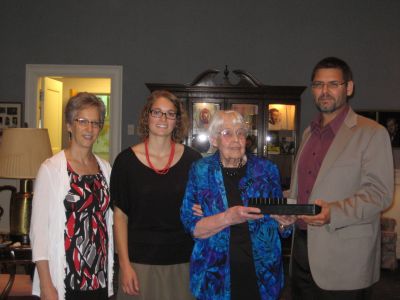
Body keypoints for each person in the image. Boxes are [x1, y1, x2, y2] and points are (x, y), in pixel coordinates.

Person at [287, 57, 394, 299]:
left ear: (349, 88)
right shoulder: (307, 133)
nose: (324, 91)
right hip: (301, 253)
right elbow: (302, 190)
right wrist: (287, 209)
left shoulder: (372, 133)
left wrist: (333, 212)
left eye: (333, 84)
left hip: (345, 260)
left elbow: (380, 194)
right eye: (318, 84)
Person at [180, 110, 295, 300]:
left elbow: (282, 226)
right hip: (214, 274)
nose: (236, 139)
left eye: (240, 132)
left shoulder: (266, 170)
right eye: (227, 133)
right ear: (214, 139)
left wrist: (285, 222)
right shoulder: (200, 171)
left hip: (262, 274)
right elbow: (191, 226)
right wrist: (227, 217)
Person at [111, 90, 201, 300]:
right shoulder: (126, 162)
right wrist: (124, 265)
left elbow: (202, 207)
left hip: (183, 261)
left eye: (170, 114)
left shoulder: (193, 161)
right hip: (139, 263)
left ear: (177, 121)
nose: (163, 119)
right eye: (157, 112)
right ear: (147, 116)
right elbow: (120, 217)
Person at [30, 92, 114, 300]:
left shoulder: (105, 169)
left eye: (95, 122)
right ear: (69, 125)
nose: (90, 128)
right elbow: (38, 233)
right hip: (66, 279)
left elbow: (109, 222)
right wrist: (46, 286)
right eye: (82, 121)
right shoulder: (51, 169)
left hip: (98, 277)